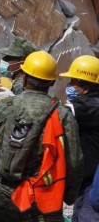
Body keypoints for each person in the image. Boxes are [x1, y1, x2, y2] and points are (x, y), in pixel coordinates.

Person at [0, 51, 84, 222]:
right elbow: (74, 162)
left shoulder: (3, 106)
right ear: (52, 82)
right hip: (44, 197)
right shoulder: (63, 115)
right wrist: (69, 196)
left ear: (24, 77)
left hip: (6, 196)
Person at [60, 55, 99, 221]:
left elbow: (58, 113)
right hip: (86, 180)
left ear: (85, 87)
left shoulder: (90, 106)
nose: (69, 86)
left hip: (93, 184)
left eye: (72, 82)